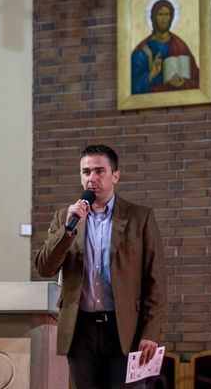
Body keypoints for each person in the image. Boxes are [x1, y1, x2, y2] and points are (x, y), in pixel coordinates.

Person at [35, 144, 166, 389]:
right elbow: (44, 268)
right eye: (86, 172)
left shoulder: (140, 217)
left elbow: (155, 280)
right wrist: (67, 231)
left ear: (115, 176)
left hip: (124, 328)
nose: (92, 178)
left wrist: (150, 332)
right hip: (80, 329)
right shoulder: (65, 217)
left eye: (99, 171)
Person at [131, 0, 199, 94]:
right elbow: (133, 85)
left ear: (171, 17)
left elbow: (196, 78)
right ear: (154, 18)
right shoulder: (143, 51)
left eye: (167, 14)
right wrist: (152, 74)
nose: (164, 19)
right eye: (160, 14)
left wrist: (183, 83)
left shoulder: (180, 45)